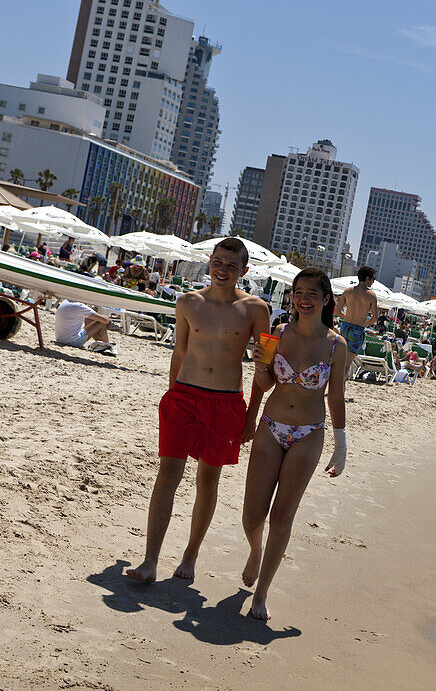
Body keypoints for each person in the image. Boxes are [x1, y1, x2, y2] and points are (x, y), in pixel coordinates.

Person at [126, 237, 269, 584]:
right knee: (167, 477)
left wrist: (252, 416)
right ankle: (150, 560)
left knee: (208, 480)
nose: (223, 270)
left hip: (226, 403)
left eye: (231, 266)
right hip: (184, 397)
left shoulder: (256, 310)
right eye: (218, 262)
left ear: (244, 271)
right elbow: (179, 352)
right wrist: (171, 394)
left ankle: (190, 555)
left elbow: (262, 368)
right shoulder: (188, 301)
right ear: (210, 261)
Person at [241, 267, 347, 621]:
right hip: (271, 426)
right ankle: (255, 550)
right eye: (298, 292)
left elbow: (336, 399)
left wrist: (340, 445)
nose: (303, 299)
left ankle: (262, 594)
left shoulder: (336, 345)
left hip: (309, 434)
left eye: (311, 293)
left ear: (326, 299)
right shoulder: (279, 333)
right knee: (252, 515)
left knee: (282, 517)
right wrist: (258, 368)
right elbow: (266, 382)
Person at [334, 266, 379, 382]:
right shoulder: (371, 295)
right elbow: (374, 319)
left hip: (345, 327)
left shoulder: (348, 291)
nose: (373, 281)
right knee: (347, 363)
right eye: (373, 279)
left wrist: (347, 317)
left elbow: (337, 311)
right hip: (357, 329)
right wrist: (364, 324)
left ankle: (337, 387)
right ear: (367, 278)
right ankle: (340, 390)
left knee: (341, 360)